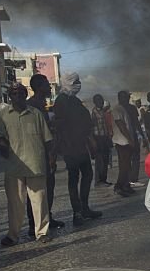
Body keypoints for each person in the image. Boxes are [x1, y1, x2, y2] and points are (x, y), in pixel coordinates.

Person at [0, 83, 53, 245]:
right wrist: (1, 145)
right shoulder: (3, 115)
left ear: (25, 95)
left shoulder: (35, 114)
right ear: (10, 96)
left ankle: (42, 232)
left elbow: (47, 139)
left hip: (35, 163)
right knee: (15, 203)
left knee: (40, 200)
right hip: (14, 166)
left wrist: (51, 158)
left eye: (21, 93)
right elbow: (0, 136)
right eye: (14, 94)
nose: (18, 96)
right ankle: (13, 235)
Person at [53, 72, 102, 225]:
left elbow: (85, 123)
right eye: (75, 82)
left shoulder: (74, 100)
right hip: (70, 146)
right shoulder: (61, 101)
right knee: (74, 179)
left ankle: (84, 208)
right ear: (67, 83)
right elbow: (59, 126)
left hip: (81, 145)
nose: (78, 84)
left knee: (87, 174)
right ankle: (77, 212)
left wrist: (90, 141)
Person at [26, 74, 65, 235]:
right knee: (36, 191)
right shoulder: (32, 106)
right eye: (47, 84)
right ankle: (33, 224)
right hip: (38, 154)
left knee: (49, 187)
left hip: (49, 152)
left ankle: (47, 217)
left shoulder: (43, 105)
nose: (49, 87)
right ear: (39, 87)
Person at [111, 90, 137, 196]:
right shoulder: (117, 109)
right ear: (120, 98)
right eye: (125, 97)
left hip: (125, 141)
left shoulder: (123, 109)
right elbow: (121, 125)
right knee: (124, 165)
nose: (127, 99)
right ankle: (119, 186)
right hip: (122, 142)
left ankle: (126, 185)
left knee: (127, 165)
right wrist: (130, 140)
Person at [90, 93, 114, 186]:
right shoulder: (94, 112)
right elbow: (91, 127)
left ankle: (104, 179)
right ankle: (99, 181)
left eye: (101, 100)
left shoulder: (103, 112)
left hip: (105, 138)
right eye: (98, 101)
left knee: (105, 159)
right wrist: (93, 141)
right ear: (95, 102)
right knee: (99, 160)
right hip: (98, 138)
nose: (100, 102)